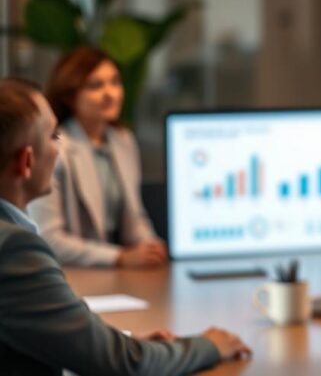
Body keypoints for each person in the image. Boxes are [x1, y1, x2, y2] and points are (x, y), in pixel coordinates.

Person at [0, 78, 250, 375]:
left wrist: (115, 343)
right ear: (26, 162)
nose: (61, 147)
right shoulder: (15, 250)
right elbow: (125, 365)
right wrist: (207, 345)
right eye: (54, 136)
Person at [27, 48, 167, 268]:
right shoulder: (55, 149)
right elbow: (49, 238)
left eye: (115, 82)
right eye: (96, 86)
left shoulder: (123, 141)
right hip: (74, 272)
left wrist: (150, 247)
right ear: (70, 96)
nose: (110, 93)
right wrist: (120, 257)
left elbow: (134, 215)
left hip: (119, 273)